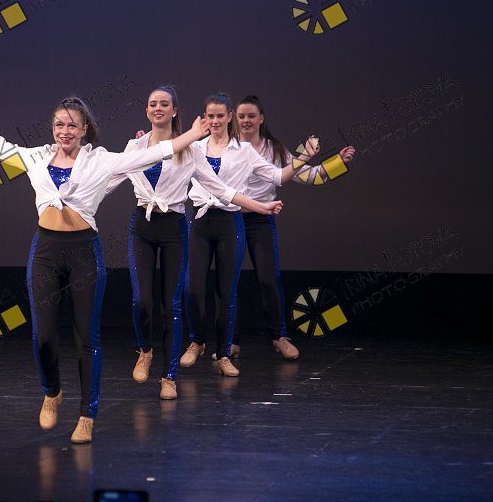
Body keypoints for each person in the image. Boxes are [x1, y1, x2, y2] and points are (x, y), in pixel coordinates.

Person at [0, 87, 209, 443]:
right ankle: (52, 392)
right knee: (43, 337)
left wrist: (192, 134)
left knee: (86, 339)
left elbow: (155, 152)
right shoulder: (36, 157)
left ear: (84, 130)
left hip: (83, 254)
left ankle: (86, 414)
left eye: (72, 126)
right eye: (59, 125)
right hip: (46, 252)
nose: (64, 131)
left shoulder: (100, 161)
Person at [106, 86, 284, 400]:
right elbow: (112, 175)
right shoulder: (135, 145)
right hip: (142, 226)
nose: (158, 108)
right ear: (146, 111)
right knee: (142, 300)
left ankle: (169, 376)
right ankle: (145, 351)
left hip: (174, 228)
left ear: (174, 110)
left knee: (171, 305)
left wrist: (261, 206)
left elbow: (220, 189)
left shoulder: (190, 149)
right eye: (152, 104)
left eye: (164, 104)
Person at [179, 93, 316, 376]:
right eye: (210, 116)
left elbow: (278, 177)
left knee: (226, 292)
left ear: (229, 117)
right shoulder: (195, 147)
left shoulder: (244, 151)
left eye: (220, 115)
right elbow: (166, 159)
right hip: (201, 221)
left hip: (230, 222)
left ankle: (225, 354)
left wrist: (304, 157)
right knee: (192, 288)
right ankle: (197, 341)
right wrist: (144, 142)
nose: (215, 121)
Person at [228, 94, 355, 360]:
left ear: (261, 119)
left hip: (261, 220)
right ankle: (231, 340)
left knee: (269, 279)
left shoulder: (275, 149)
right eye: (241, 116)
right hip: (230, 218)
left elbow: (308, 175)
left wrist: (338, 163)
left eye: (251, 115)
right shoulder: (226, 147)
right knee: (229, 281)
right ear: (234, 119)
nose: (246, 120)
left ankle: (280, 337)